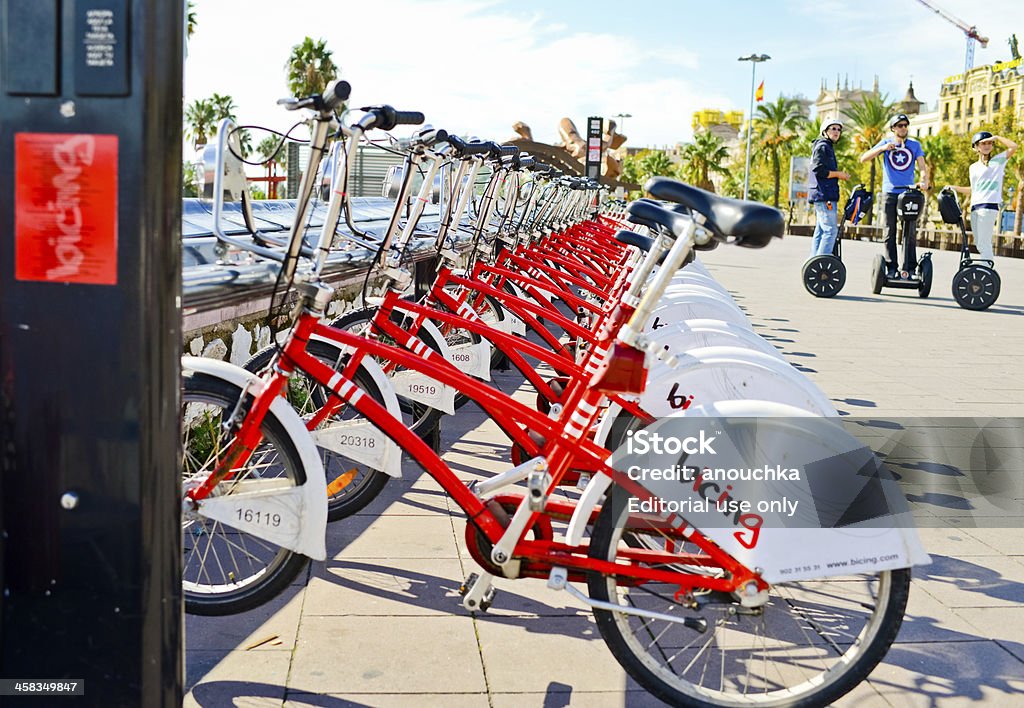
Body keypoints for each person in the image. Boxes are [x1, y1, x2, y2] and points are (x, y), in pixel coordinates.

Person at [859, 113, 929, 276]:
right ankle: (891, 268)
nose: (903, 128)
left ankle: (909, 268)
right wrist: (883, 148)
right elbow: (864, 158)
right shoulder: (885, 143)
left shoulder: (914, 145)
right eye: (899, 125)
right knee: (889, 230)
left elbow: (922, 167)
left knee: (910, 231)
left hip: (909, 192)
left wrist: (924, 180)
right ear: (893, 129)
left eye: (905, 125)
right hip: (890, 192)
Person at [947, 131, 1017, 262]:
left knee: (984, 243)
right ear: (976, 147)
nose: (987, 145)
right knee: (979, 243)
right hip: (975, 207)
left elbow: (1013, 147)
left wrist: (996, 137)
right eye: (983, 143)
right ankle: (986, 269)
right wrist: (954, 188)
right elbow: (973, 189)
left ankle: (986, 270)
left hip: (988, 206)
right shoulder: (973, 167)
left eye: (990, 143)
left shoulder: (998, 161)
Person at [808, 118, 850, 257]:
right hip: (824, 195)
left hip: (823, 194)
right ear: (825, 131)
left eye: (839, 129)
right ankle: (822, 262)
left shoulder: (826, 146)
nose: (837, 132)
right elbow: (818, 170)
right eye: (833, 128)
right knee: (830, 230)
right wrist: (839, 174)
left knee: (820, 232)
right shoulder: (823, 146)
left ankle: (814, 260)